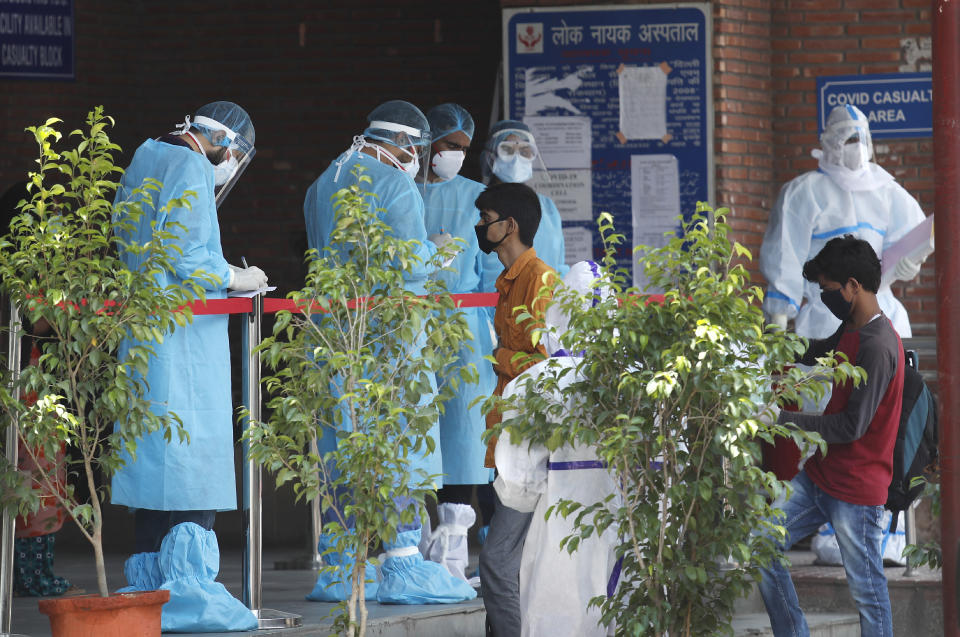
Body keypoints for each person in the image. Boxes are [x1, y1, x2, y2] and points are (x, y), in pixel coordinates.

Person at [303, 99, 475, 605]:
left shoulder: (326, 180)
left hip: (333, 340)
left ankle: (340, 568)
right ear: (403, 144)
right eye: (418, 149)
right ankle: (402, 563)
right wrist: (439, 250)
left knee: (339, 454)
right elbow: (402, 264)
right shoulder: (393, 183)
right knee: (396, 450)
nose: (418, 159)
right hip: (386, 340)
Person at [111, 102, 262, 631]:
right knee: (194, 464)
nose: (230, 163)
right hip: (185, 341)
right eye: (233, 154)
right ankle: (187, 596)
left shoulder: (145, 157)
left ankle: (148, 589)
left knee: (156, 467)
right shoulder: (192, 166)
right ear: (222, 142)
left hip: (145, 340)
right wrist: (237, 278)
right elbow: (190, 259)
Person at [758, 235, 903, 637]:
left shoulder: (879, 346)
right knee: (760, 545)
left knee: (868, 594)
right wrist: (776, 348)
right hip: (820, 477)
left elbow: (849, 427)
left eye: (828, 290)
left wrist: (783, 418)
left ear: (854, 286)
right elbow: (823, 351)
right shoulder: (852, 326)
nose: (824, 296)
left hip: (857, 492)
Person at [494, 260, 620, 637]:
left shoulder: (535, 385)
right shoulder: (645, 378)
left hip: (560, 532)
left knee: (559, 615)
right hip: (632, 533)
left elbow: (517, 488)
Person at [760, 104, 926, 340]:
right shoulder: (804, 193)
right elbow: (784, 258)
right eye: (849, 139)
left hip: (884, 314)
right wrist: (778, 322)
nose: (857, 146)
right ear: (830, 142)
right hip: (826, 319)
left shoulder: (886, 191)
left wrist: (910, 264)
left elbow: (912, 239)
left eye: (861, 138)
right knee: (830, 374)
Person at [475, 181, 555, 637]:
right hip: (508, 437)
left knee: (497, 562)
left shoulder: (539, 279)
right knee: (508, 563)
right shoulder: (507, 281)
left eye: (487, 220)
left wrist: (497, 355)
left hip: (530, 444)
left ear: (512, 226)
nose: (481, 227)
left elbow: (547, 364)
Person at [418, 103, 495, 570]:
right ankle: (415, 533)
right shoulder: (398, 190)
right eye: (450, 146)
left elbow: (489, 273)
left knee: (463, 429)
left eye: (465, 149)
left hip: (465, 324)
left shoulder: (478, 197)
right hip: (411, 322)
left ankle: (453, 537)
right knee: (413, 426)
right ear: (427, 144)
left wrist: (492, 328)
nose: (457, 156)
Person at [1, 181, 75, 598]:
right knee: (37, 481)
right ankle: (33, 575)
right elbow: (38, 322)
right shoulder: (25, 264)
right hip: (27, 381)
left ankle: (29, 573)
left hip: (29, 377)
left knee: (37, 478)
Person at [480, 120, 569, 296]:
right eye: (507, 150)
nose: (517, 158)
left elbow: (558, 265)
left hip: (544, 308)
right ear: (491, 156)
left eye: (525, 151)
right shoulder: (479, 208)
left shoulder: (547, 208)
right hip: (493, 311)